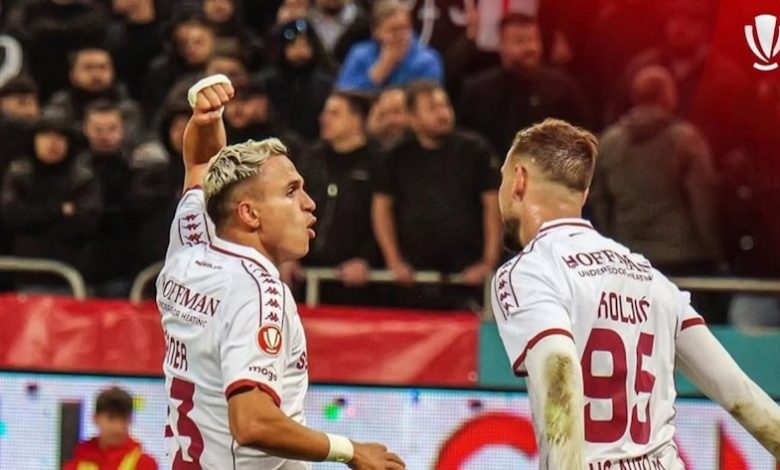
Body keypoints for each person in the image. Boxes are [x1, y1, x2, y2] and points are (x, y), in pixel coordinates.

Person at [491, 118, 780, 468]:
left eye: (502, 179)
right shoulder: (650, 276)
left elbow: (558, 367)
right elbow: (738, 392)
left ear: (519, 179)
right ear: (583, 195)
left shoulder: (529, 271)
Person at [157, 74, 405, 469]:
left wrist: (206, 119)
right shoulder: (257, 291)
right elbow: (252, 423)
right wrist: (349, 450)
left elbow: (201, 163)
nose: (309, 203)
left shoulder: (190, 242)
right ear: (249, 214)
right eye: (291, 191)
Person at [372, 81, 500, 309]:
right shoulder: (394, 155)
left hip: (467, 273)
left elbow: (492, 206)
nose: (442, 114)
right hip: (412, 276)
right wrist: (394, 261)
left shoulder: (475, 149)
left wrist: (488, 261)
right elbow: (382, 209)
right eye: (432, 108)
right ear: (412, 117)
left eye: (444, 106)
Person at [289, 91, 380, 303]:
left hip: (358, 281)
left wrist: (367, 258)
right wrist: (289, 256)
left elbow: (385, 216)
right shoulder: (310, 158)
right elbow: (293, 207)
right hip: (305, 276)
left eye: (334, 113)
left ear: (357, 120)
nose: (324, 118)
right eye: (325, 112)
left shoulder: (378, 162)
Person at [458, 13, 590, 156]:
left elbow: (582, 138)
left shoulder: (562, 88)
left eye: (534, 39)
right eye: (520, 41)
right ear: (501, 44)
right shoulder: (478, 91)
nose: (530, 47)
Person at [337, 0, 443, 92]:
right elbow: (344, 97)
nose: (400, 36)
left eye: (405, 28)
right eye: (393, 30)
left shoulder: (427, 60)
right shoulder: (359, 54)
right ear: (375, 32)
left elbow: (427, 101)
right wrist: (379, 72)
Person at [47, 46, 144, 142]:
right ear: (72, 74)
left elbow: (129, 140)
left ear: (113, 72)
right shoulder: (61, 105)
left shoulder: (127, 107)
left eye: (102, 67)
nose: (96, 74)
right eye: (88, 68)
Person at [62, 387, 157, 470]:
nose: (118, 427)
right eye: (111, 418)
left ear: (130, 420)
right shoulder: (74, 466)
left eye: (123, 419)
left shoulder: (144, 464)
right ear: (95, 418)